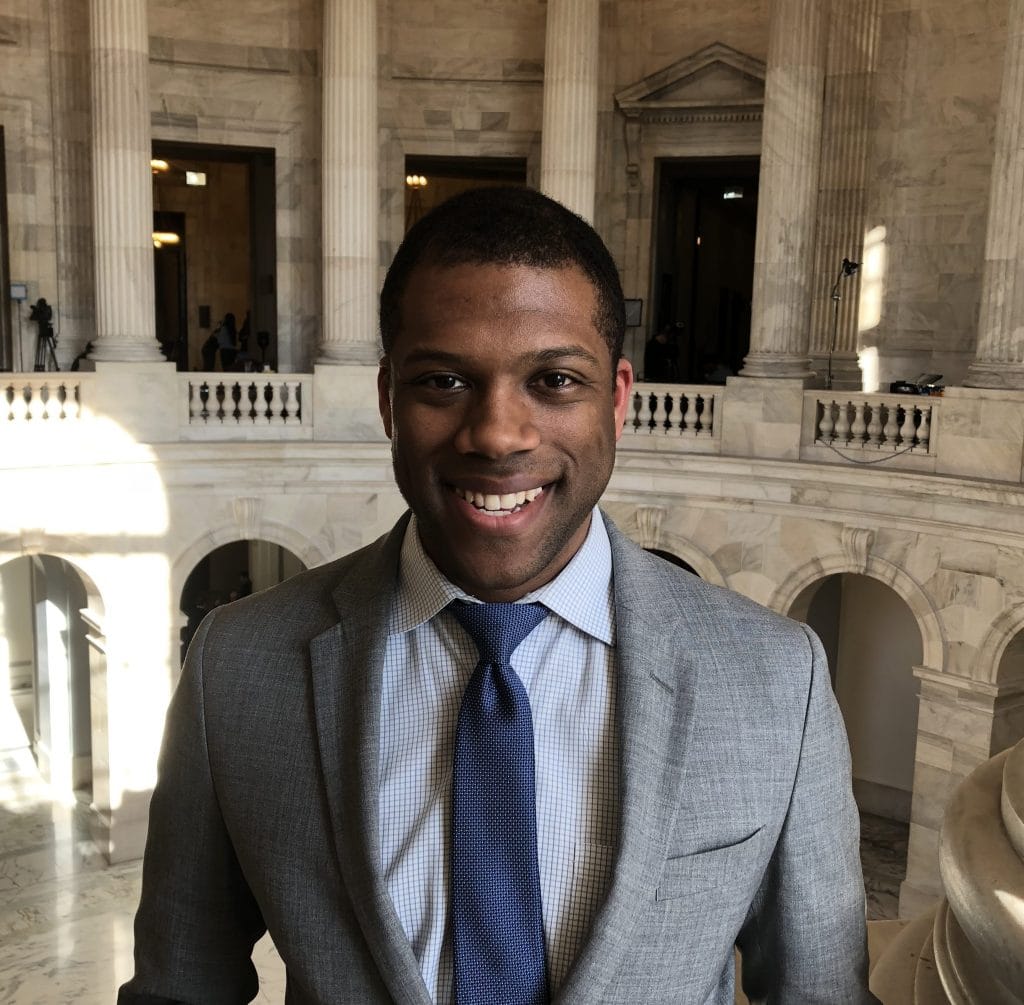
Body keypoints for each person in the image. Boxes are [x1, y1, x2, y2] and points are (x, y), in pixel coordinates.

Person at [120, 187, 875, 1004]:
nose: (498, 433)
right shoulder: (236, 664)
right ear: (386, 400)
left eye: (554, 379)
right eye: (444, 380)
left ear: (617, 399)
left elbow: (821, 993)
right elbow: (180, 985)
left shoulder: (774, 677)